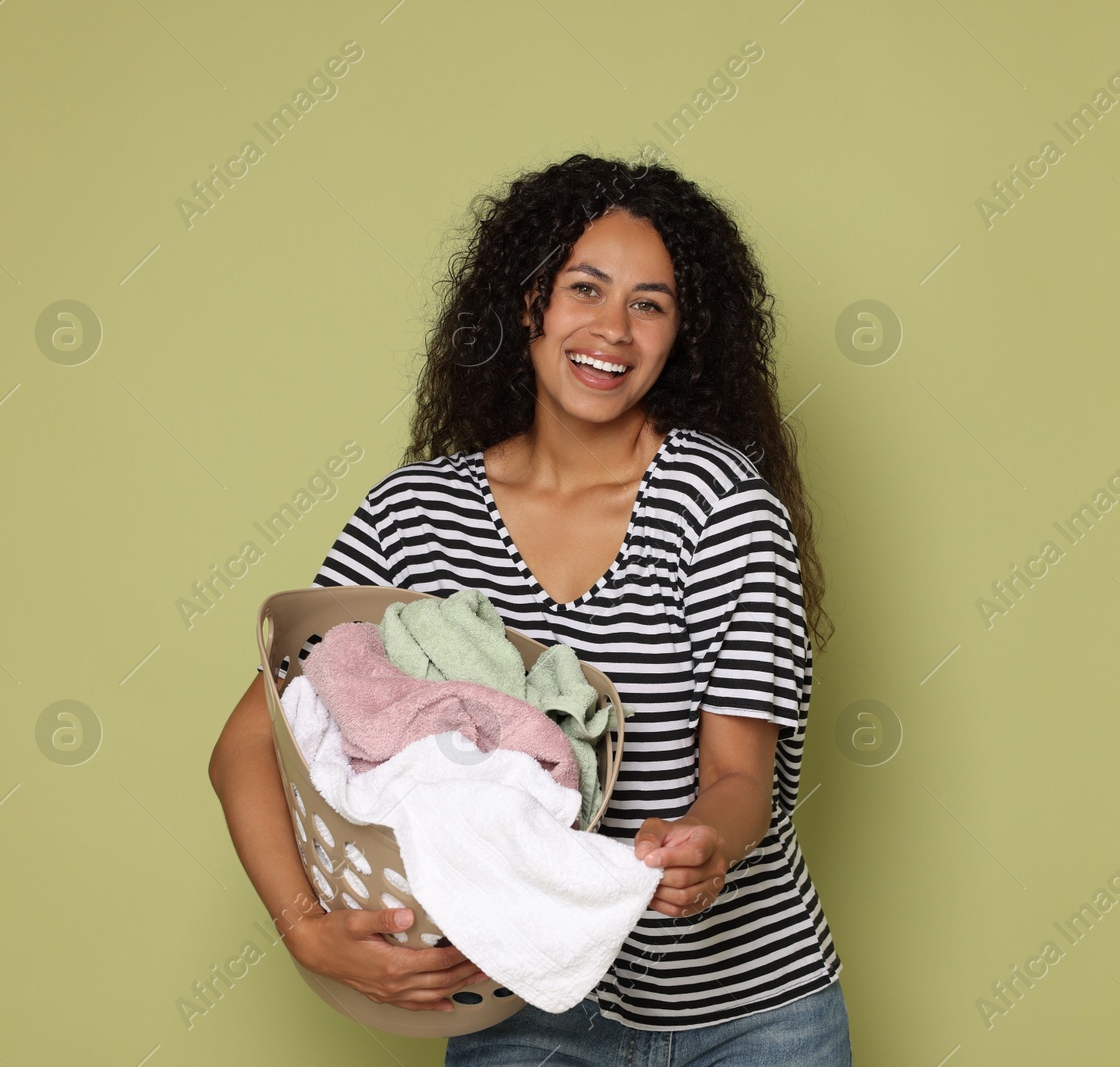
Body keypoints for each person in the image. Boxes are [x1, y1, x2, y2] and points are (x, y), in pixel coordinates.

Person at [209, 151, 850, 1064]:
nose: (613, 331)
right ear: (528, 304)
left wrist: (707, 836)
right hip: (522, 1016)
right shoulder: (415, 516)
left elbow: (740, 772)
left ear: (682, 336)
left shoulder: (719, 504)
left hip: (749, 1016)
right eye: (584, 288)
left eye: (650, 303)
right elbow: (246, 743)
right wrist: (304, 928)